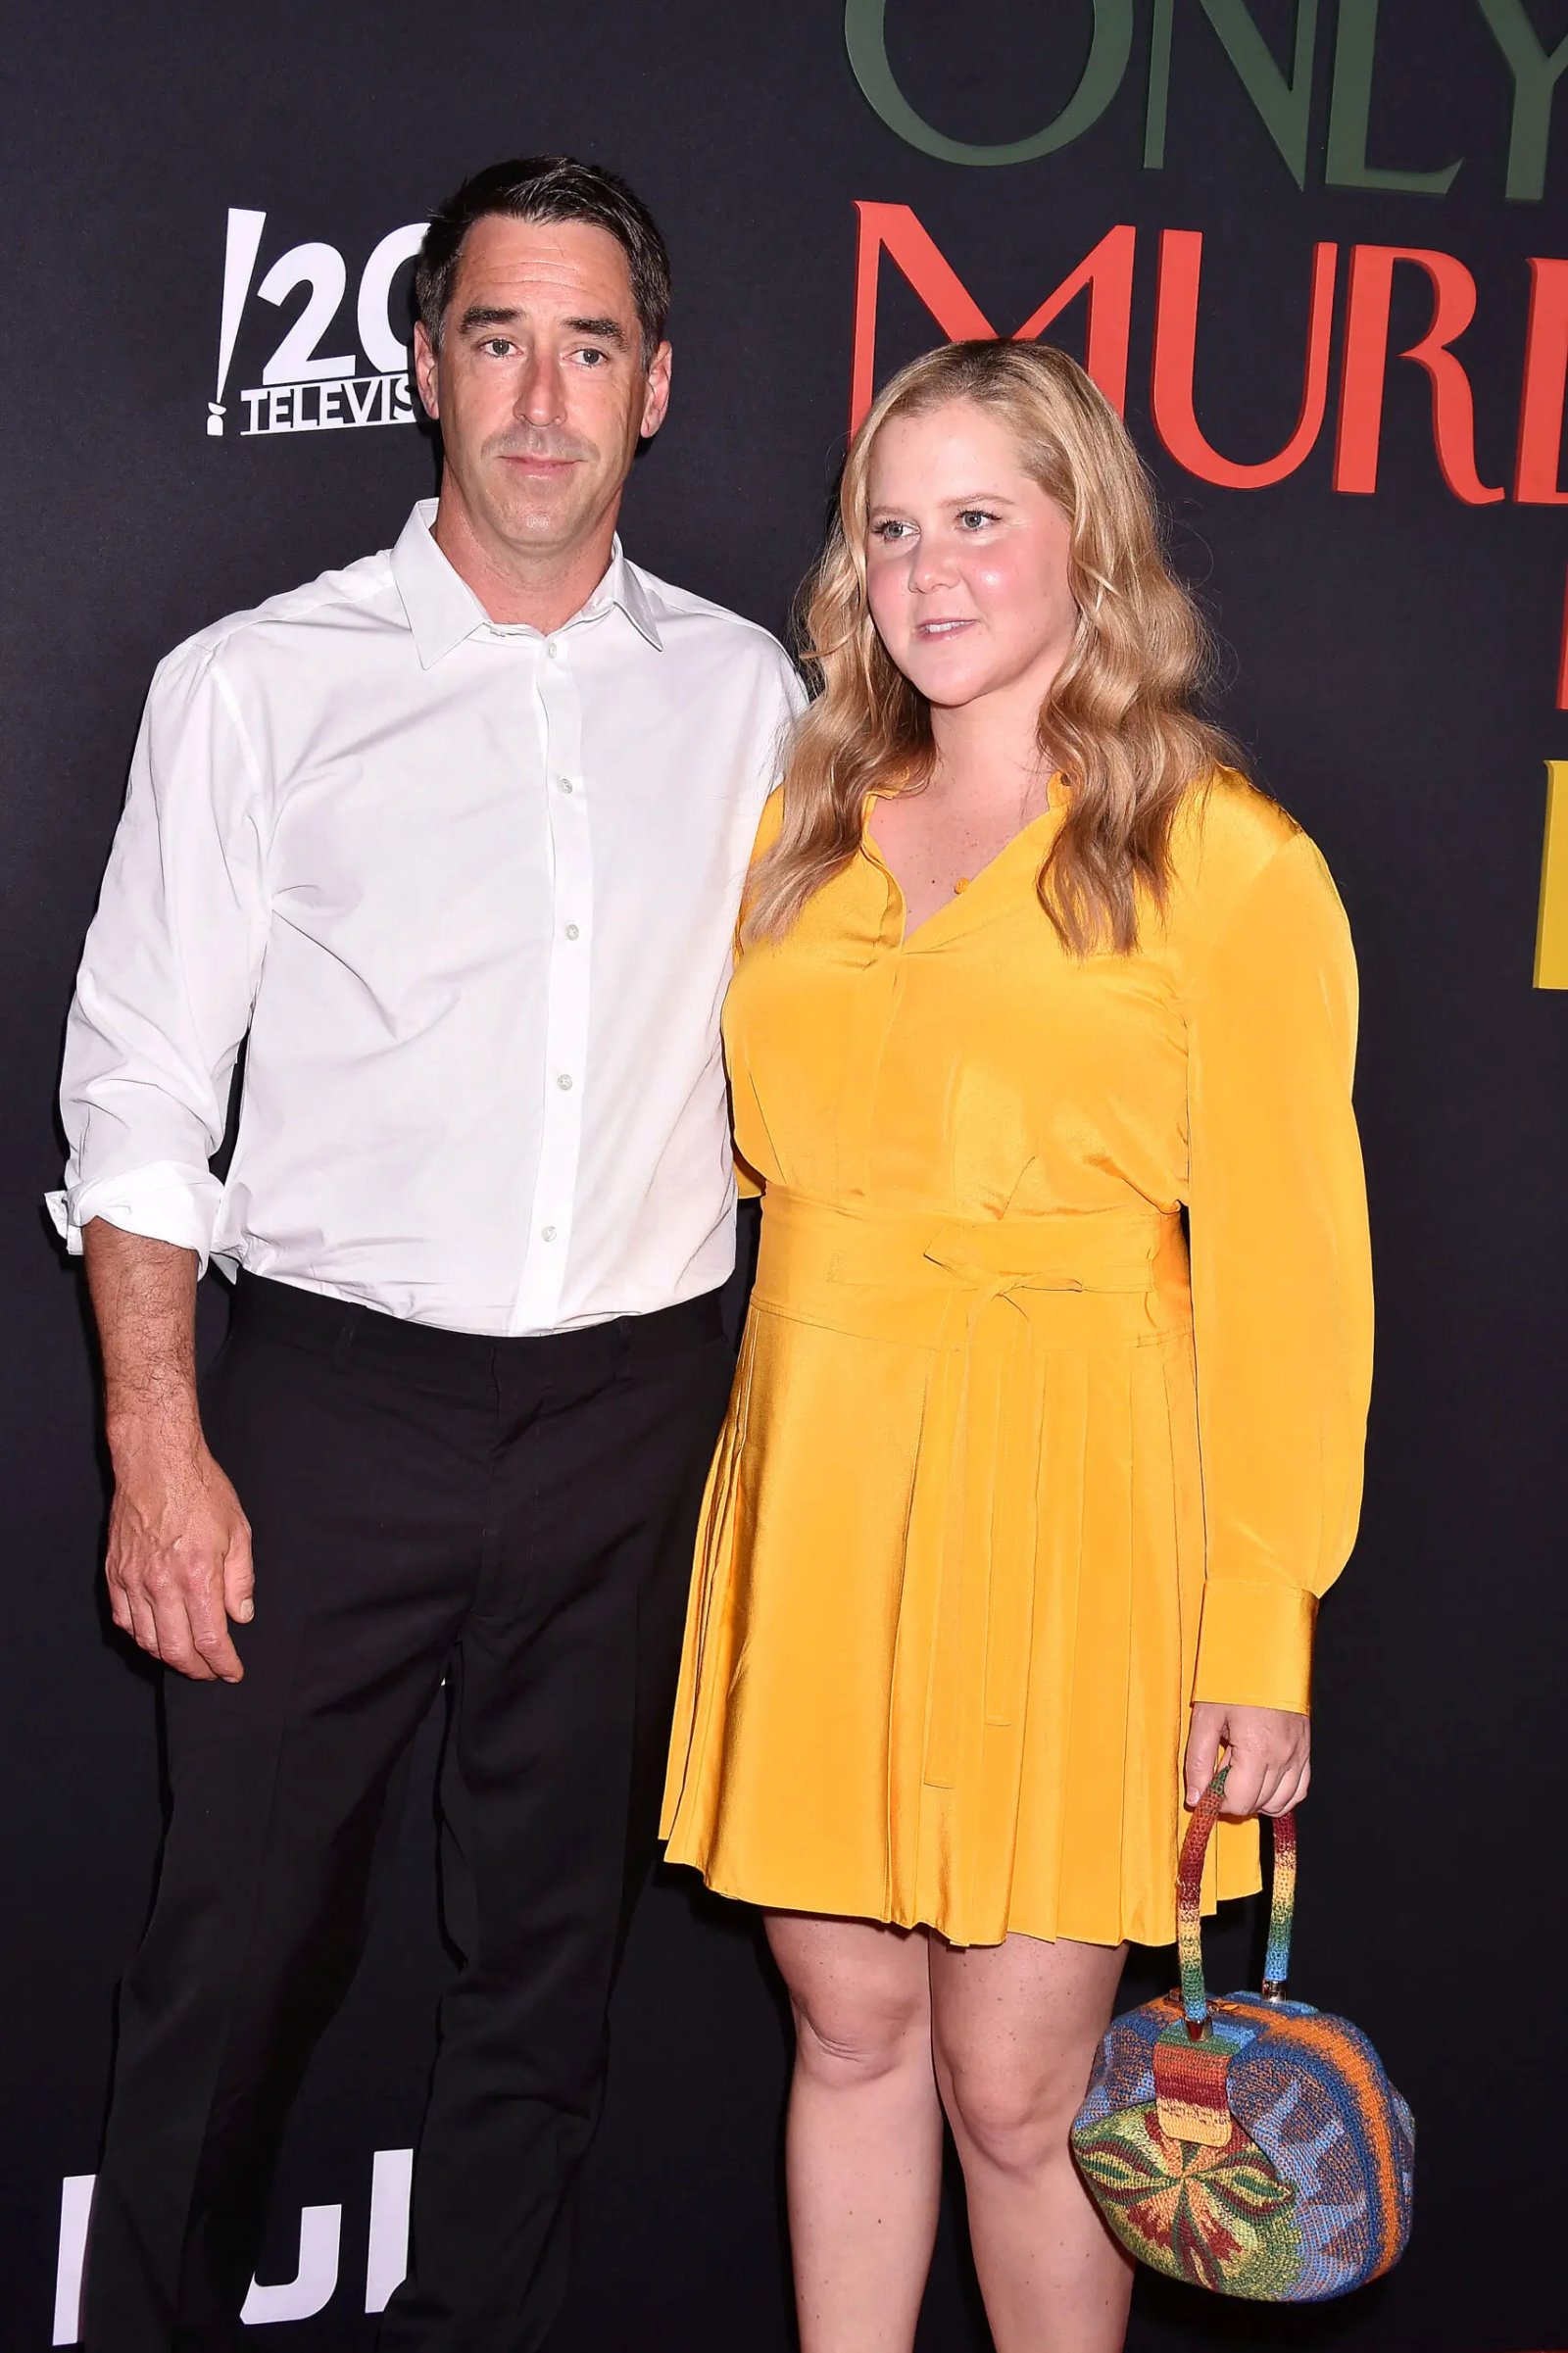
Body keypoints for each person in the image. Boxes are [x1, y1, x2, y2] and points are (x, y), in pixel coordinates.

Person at [50, 155, 801, 2351]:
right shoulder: (254, 688)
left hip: (635, 1408)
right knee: (232, 1966)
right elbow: (135, 1095)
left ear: (655, 387)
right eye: (497, 338)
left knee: (544, 1984)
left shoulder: (752, 699)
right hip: (329, 1409)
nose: (541, 398)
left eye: (588, 347)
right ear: (423, 368)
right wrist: (156, 1441)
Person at [662, 338, 1373, 2353]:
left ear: (1086, 538)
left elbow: (1291, 1269)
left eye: (979, 515)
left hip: (1071, 1495)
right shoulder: (799, 817)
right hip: (813, 1469)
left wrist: (1259, 1622)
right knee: (850, 2025)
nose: (927, 566)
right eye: (891, 526)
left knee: (1014, 2087)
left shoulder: (1223, 860)